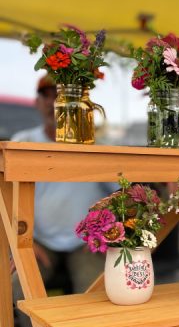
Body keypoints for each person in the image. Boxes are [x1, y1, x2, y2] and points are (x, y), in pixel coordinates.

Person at [11, 75, 116, 302]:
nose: (53, 102)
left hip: (86, 243)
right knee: (17, 288)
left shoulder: (96, 148)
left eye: (60, 95)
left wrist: (106, 233)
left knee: (96, 291)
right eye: (47, 95)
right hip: (36, 241)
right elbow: (5, 197)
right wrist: (19, 240)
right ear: (37, 102)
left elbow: (123, 194)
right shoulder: (23, 142)